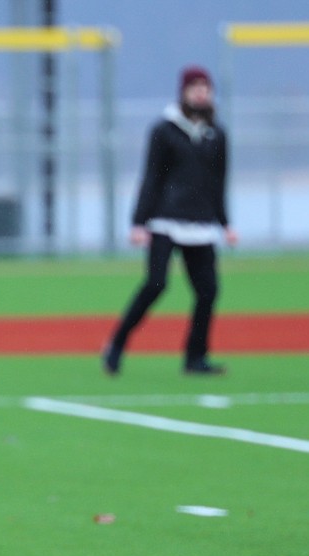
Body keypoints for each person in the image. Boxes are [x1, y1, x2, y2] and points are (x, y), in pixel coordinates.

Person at [103, 65, 238, 376]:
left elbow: (219, 182)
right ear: (183, 92)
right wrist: (139, 222)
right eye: (195, 87)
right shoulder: (165, 130)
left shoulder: (217, 134)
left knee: (208, 291)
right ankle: (117, 345)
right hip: (166, 220)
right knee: (156, 284)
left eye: (206, 87)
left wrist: (225, 223)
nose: (201, 92)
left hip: (201, 223)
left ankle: (195, 357)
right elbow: (151, 177)